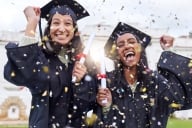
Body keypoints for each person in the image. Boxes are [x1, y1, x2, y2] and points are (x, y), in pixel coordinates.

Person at [3, 0, 98, 128]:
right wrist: (32, 24)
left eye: (68, 23)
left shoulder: (84, 63)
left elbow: (88, 104)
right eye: (56, 22)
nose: (61, 28)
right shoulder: (41, 58)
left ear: (74, 30)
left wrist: (79, 82)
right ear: (49, 28)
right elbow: (24, 74)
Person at [93, 22, 192, 128]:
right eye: (121, 45)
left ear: (140, 49)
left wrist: (168, 51)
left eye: (132, 42)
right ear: (117, 54)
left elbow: (177, 96)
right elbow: (99, 122)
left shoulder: (155, 82)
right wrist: (107, 107)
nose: (127, 46)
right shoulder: (109, 84)